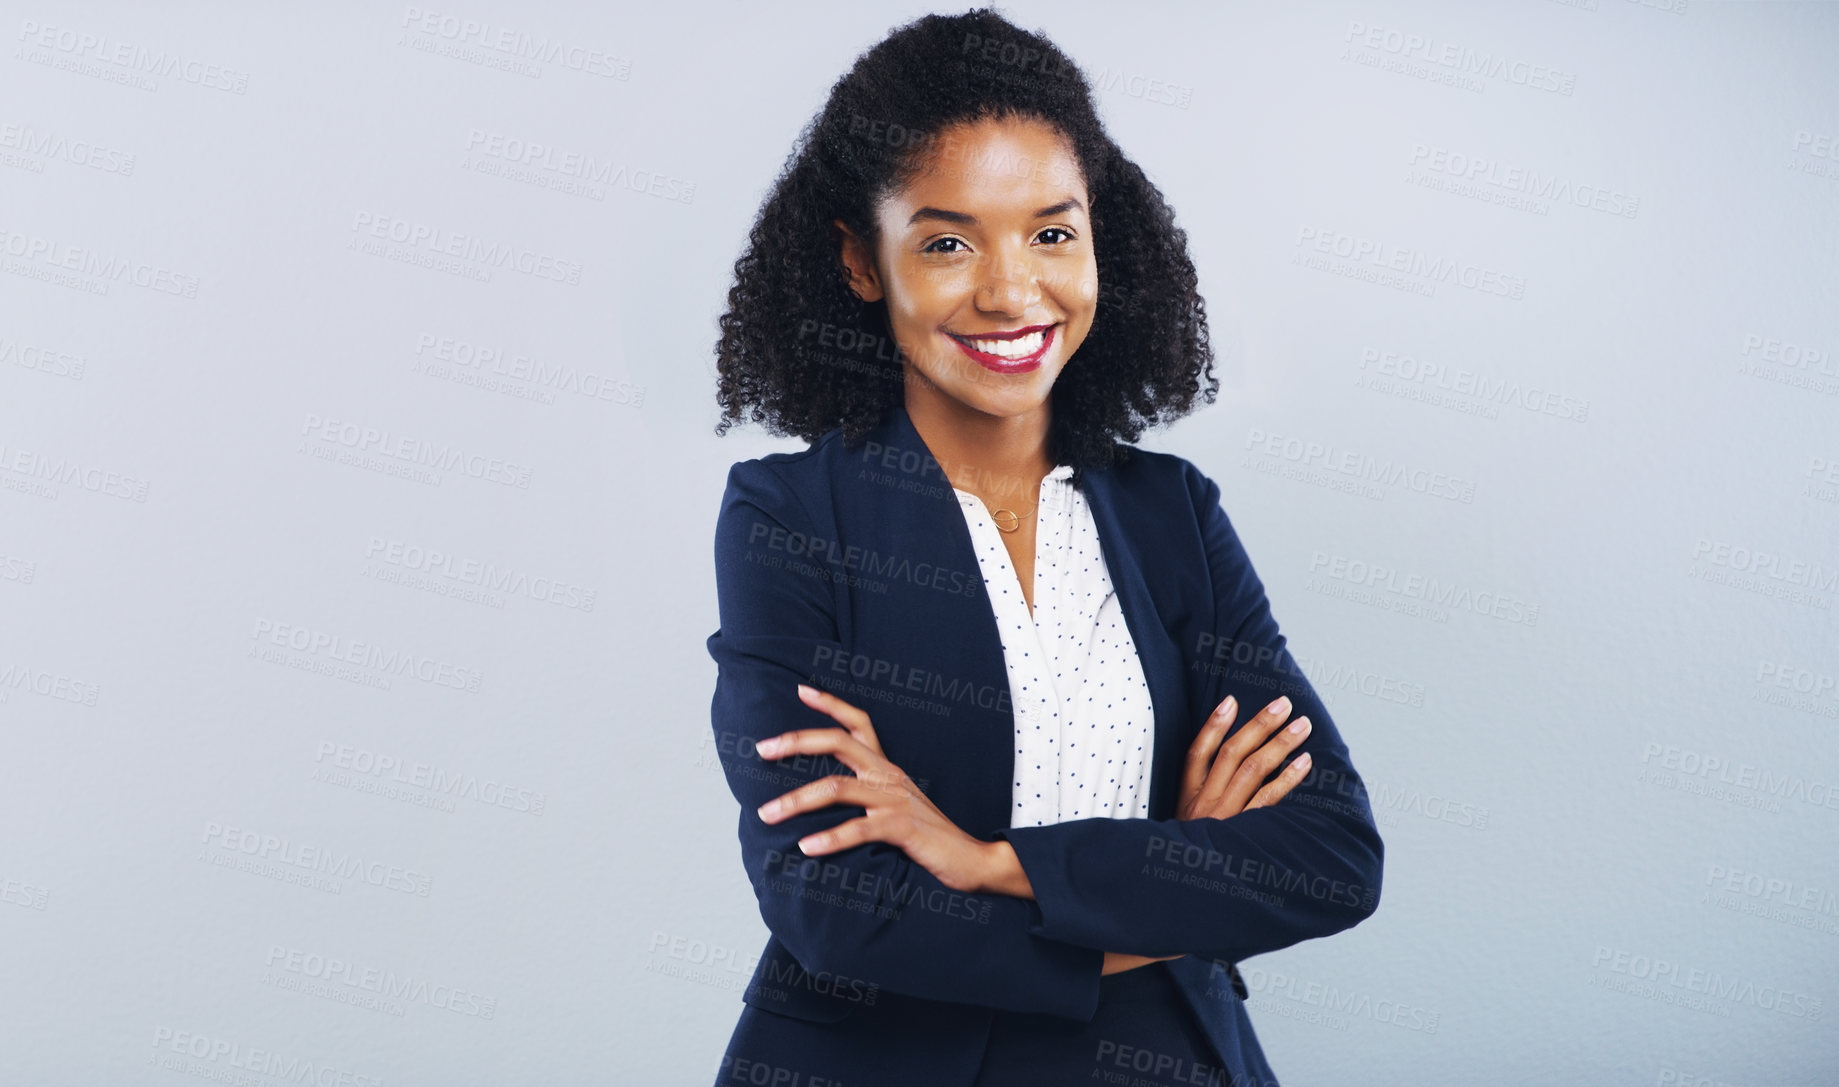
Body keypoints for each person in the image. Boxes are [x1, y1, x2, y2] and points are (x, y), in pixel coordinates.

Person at [705, 9, 1384, 1084]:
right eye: (946, 241)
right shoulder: (793, 518)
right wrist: (1175, 881)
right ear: (860, 261)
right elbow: (833, 904)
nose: (1010, 290)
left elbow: (1331, 857)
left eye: (1051, 232)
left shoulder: (1173, 515)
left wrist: (989, 861)